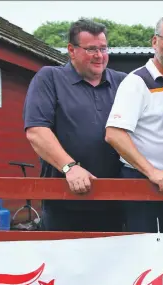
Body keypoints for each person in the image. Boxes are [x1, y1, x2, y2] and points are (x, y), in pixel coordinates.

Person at [23, 19, 126, 232]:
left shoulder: (123, 82)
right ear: (71, 50)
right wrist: (70, 167)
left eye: (103, 48)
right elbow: (36, 131)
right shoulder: (50, 78)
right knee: (62, 263)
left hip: (116, 200)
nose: (99, 56)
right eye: (91, 49)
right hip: (64, 200)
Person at [105, 13, 163, 233]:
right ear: (154, 41)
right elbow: (114, 134)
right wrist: (152, 172)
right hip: (143, 183)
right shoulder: (136, 82)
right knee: (147, 256)